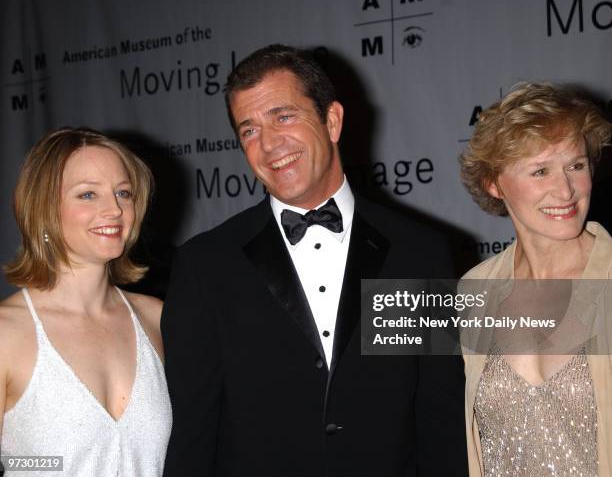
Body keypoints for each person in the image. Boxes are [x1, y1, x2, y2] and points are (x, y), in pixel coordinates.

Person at [162, 44, 467, 477]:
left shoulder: (417, 252)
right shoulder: (205, 266)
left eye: (283, 116)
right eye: (248, 130)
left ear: (333, 120)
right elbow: (193, 432)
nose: (268, 144)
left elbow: (440, 415)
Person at [459, 83, 612, 476]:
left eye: (576, 166)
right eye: (541, 170)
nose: (565, 190)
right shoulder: (474, 291)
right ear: (495, 183)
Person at [0, 128, 172, 477]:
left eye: (123, 193)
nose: (114, 209)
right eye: (88, 194)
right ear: (44, 208)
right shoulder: (7, 334)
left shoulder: (157, 318)